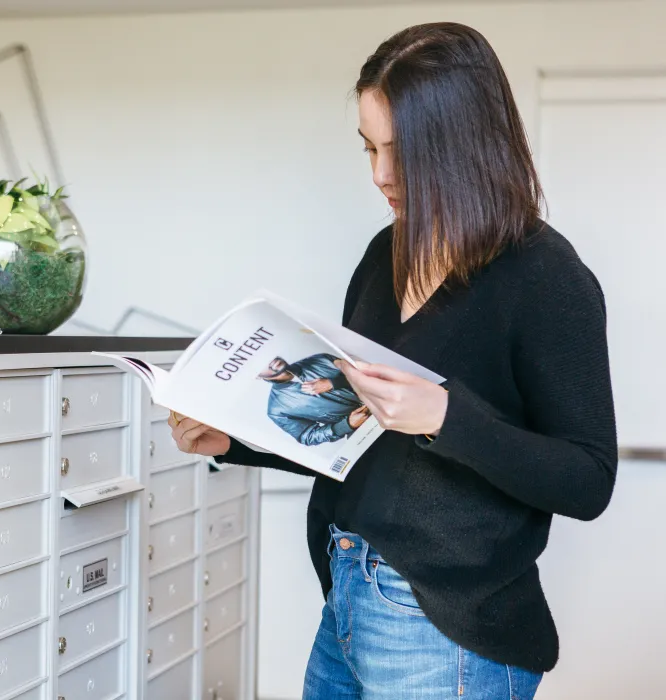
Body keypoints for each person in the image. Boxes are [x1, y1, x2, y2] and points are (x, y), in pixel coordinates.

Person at [169, 21, 617, 700]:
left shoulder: (546, 278)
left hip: (447, 631)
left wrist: (445, 415)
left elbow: (588, 479)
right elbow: (357, 431)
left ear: (465, 145)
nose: (380, 175)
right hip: (347, 595)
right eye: (369, 148)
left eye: (402, 152)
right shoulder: (385, 256)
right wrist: (233, 441)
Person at [259, 354, 371, 445]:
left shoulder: (321, 359)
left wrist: (334, 383)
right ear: (257, 376)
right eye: (260, 362)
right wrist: (347, 425)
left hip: (384, 398)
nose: (268, 360)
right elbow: (307, 436)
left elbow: (367, 372)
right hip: (365, 431)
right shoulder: (276, 409)